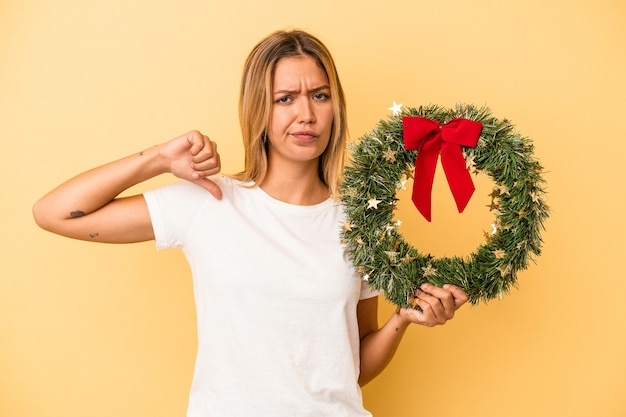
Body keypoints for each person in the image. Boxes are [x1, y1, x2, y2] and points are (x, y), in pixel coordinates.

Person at [33, 29, 468, 417]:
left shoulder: (360, 223)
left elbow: (348, 368)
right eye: (285, 98)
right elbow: (54, 213)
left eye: (319, 95)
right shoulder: (209, 202)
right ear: (259, 109)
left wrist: (402, 320)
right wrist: (159, 158)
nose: (306, 115)